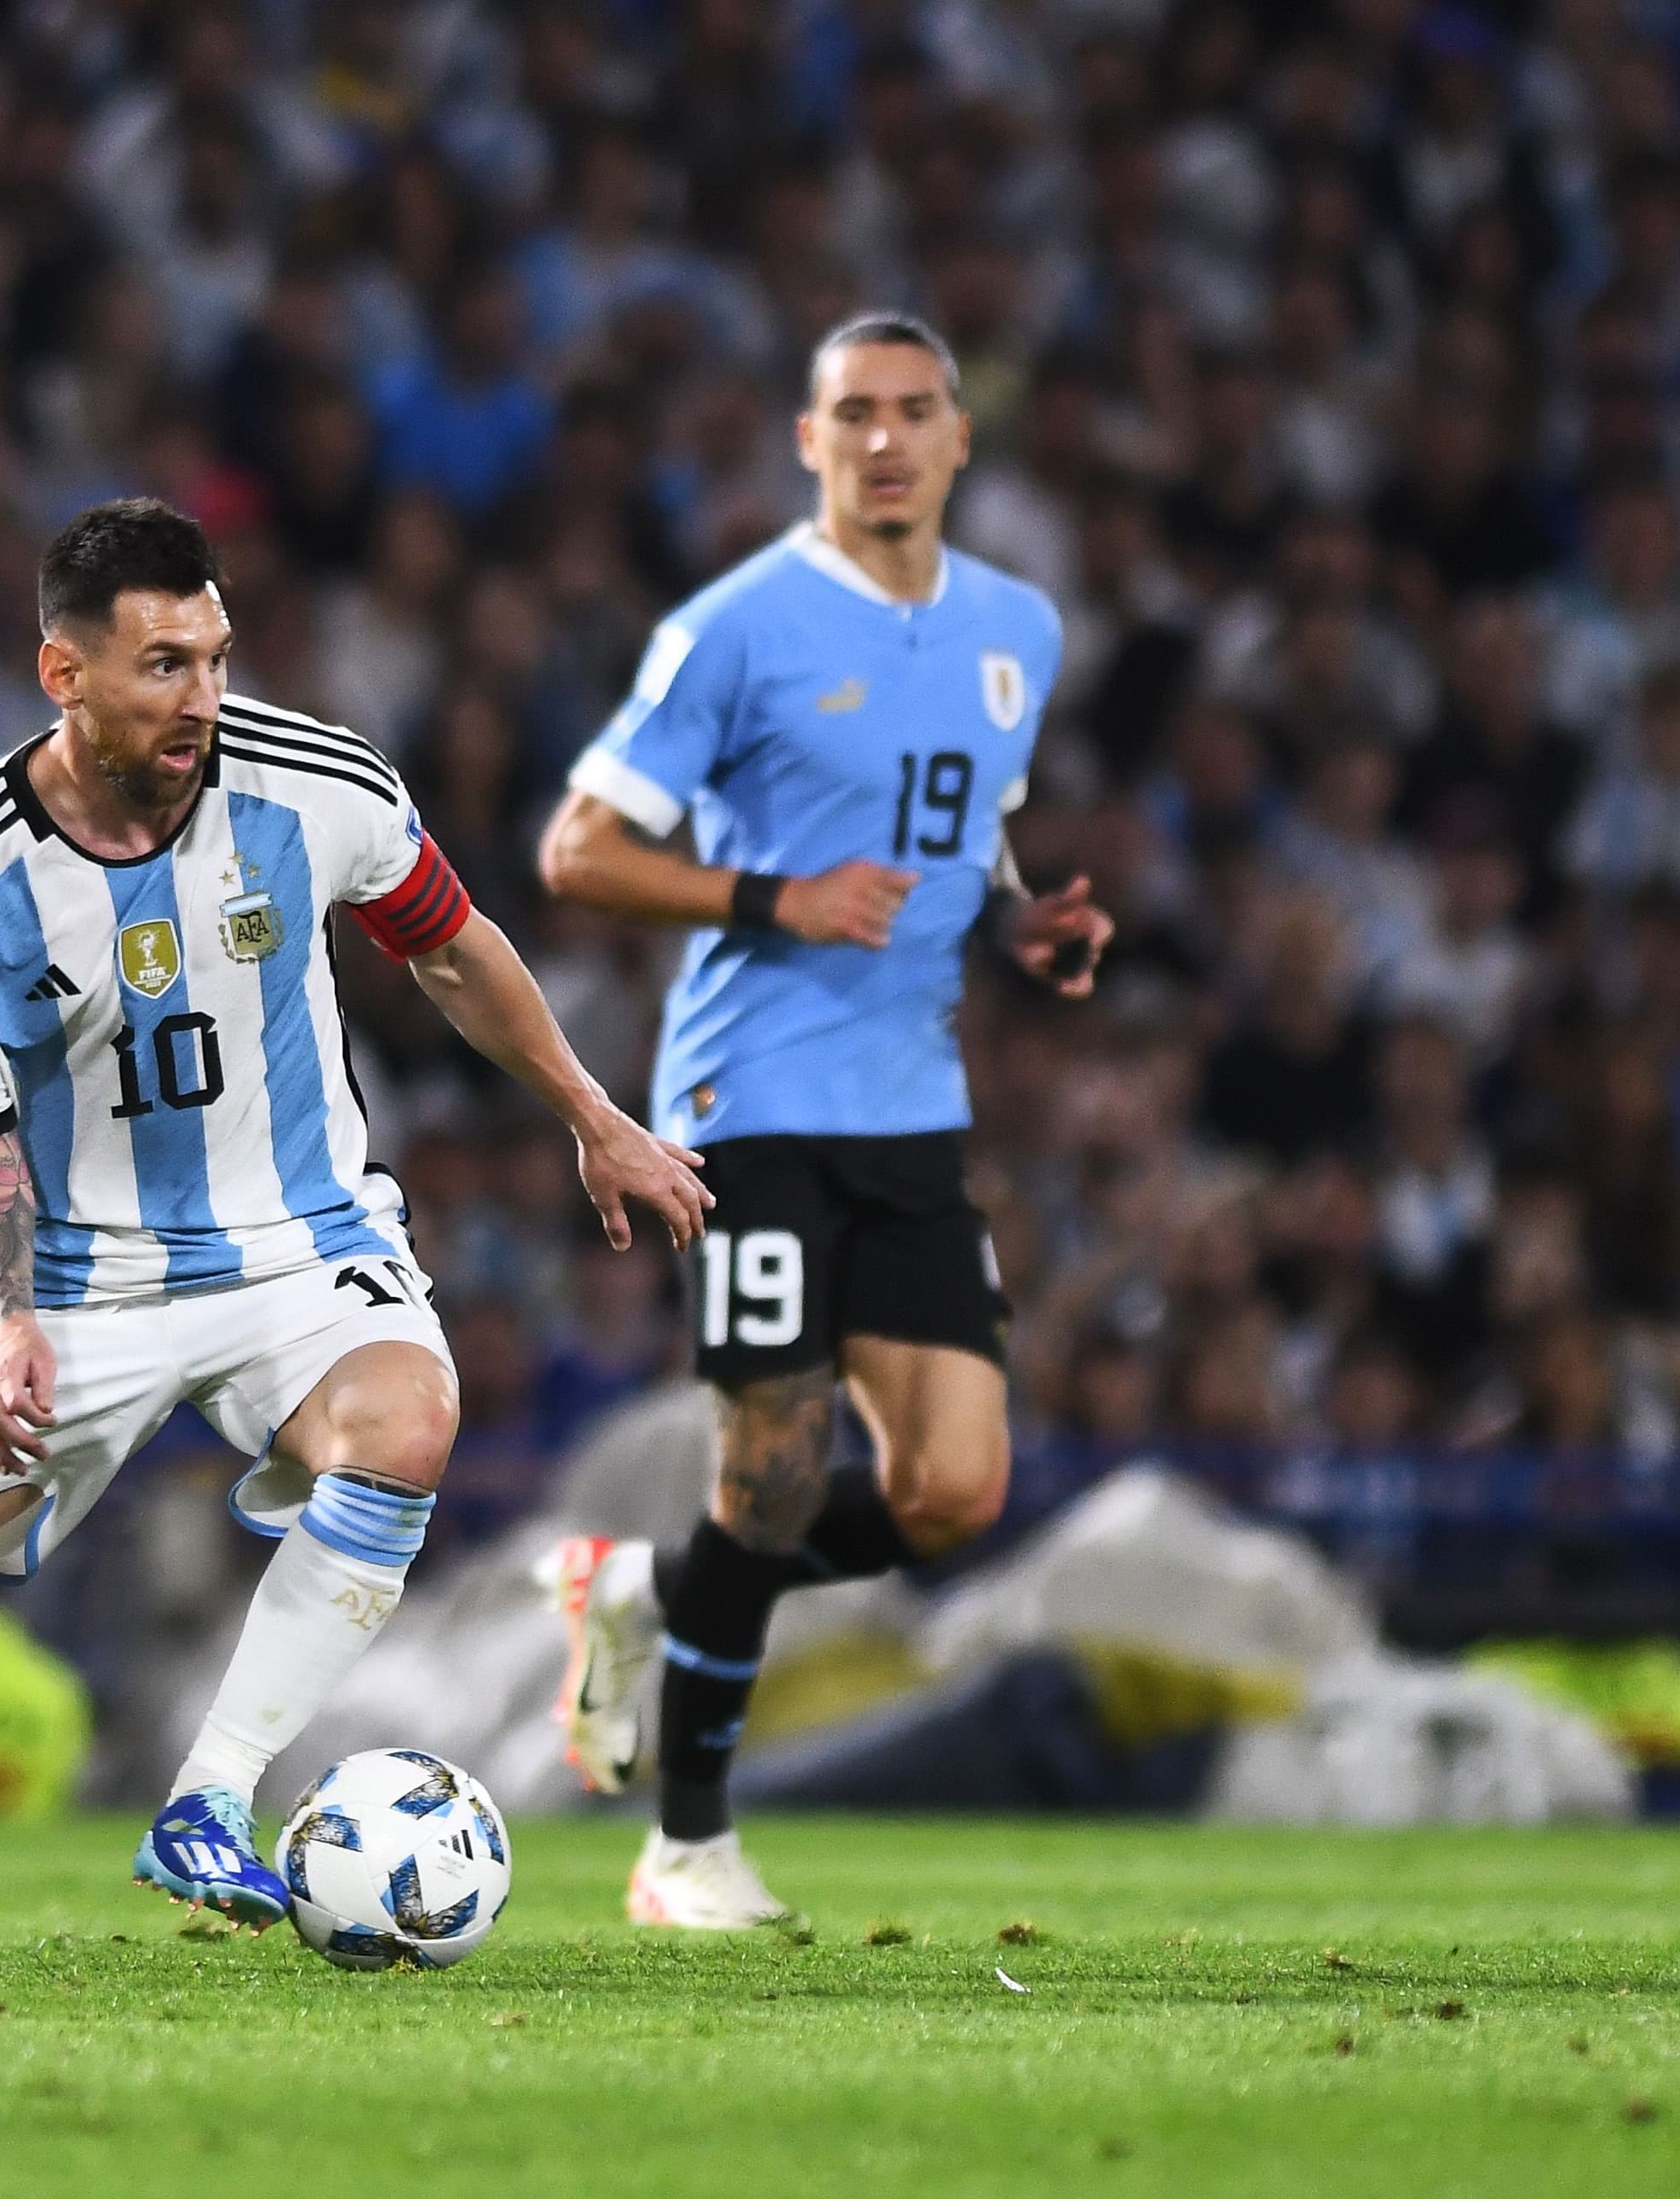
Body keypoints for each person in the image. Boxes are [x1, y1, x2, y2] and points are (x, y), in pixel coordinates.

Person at [0, 498, 709, 1963]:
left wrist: (597, 1116)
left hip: (297, 1239)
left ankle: (207, 1799)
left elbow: (452, 950)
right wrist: (10, 1322)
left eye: (211, 657)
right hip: (75, 1272)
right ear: (62, 676)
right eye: (160, 667)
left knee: (406, 1422)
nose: (201, 697)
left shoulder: (317, 781)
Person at [532, 314, 1112, 1928]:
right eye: (853, 413)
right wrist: (772, 893)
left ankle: (645, 1591)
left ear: (957, 440)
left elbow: (965, 829)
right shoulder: (738, 629)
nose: (886, 440)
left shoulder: (1019, 630)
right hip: (751, 1099)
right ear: (810, 442)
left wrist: (1015, 923)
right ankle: (685, 1848)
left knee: (954, 1495)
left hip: (914, 1111)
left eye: (916, 411)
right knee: (775, 1466)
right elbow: (579, 849)